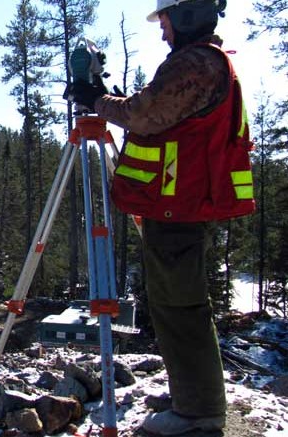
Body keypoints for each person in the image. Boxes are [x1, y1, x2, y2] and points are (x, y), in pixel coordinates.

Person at [69, 0, 255, 435]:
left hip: (180, 204)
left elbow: (144, 114)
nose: (162, 32)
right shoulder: (203, 63)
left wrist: (97, 100)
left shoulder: (197, 64)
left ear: (187, 15)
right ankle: (188, 396)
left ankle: (199, 413)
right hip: (177, 202)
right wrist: (104, 99)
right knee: (174, 303)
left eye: (166, 21)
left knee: (181, 305)